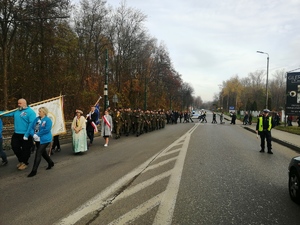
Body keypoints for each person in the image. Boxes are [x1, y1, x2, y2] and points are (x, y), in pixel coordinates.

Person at [0, 98, 36, 170]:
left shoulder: (31, 112)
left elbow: (31, 124)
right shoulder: (16, 111)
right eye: (18, 103)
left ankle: (25, 163)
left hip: (26, 134)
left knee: (26, 149)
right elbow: (6, 113)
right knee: (15, 147)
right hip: (17, 133)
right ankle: (21, 160)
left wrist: (27, 134)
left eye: (20, 103)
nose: (18, 104)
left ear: (24, 103)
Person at [27, 107, 54, 177]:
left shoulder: (48, 120)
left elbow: (46, 130)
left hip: (45, 140)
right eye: (39, 111)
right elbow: (31, 128)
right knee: (43, 153)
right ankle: (50, 162)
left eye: (40, 111)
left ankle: (34, 170)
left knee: (38, 152)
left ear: (44, 112)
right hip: (37, 139)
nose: (38, 113)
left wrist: (38, 135)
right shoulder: (36, 119)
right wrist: (33, 135)